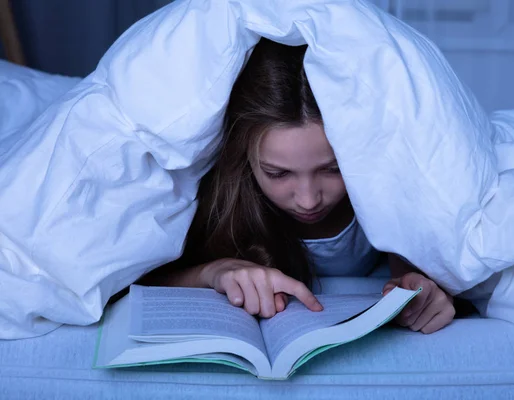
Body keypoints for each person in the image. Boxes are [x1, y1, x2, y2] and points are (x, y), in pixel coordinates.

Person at [140, 38, 456, 334]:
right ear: (246, 159)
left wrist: (431, 291)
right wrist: (214, 270)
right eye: (278, 174)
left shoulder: (393, 188)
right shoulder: (224, 199)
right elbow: (142, 279)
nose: (308, 200)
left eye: (333, 169)